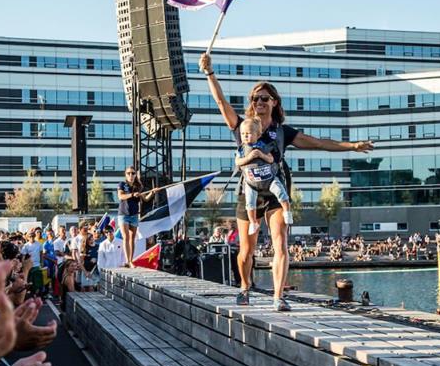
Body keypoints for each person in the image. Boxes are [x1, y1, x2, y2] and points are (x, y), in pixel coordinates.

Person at [200, 52, 373, 311]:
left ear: (274, 102)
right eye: (254, 98)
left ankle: (278, 296)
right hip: (248, 191)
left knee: (280, 241)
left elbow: (319, 144)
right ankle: (245, 287)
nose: (258, 101)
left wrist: (353, 146)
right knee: (246, 250)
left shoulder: (283, 131)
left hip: (274, 192)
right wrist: (209, 73)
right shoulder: (242, 126)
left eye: (264, 98)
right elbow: (221, 102)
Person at [235, 116, 292, 234]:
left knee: (281, 192)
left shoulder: (264, 145)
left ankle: (287, 211)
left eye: (249, 133)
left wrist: (261, 155)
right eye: (243, 134)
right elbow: (238, 162)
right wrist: (250, 157)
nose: (245, 136)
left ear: (258, 134)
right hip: (251, 182)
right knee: (250, 203)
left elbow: (271, 159)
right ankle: (253, 223)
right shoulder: (241, 149)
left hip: (268, 179)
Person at [117, 166, 157, 267]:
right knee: (126, 237)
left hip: (134, 214)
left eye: (133, 173)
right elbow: (120, 196)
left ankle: (130, 260)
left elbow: (146, 199)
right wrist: (132, 195)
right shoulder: (122, 184)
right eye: (128, 173)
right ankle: (128, 261)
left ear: (135, 175)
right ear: (125, 175)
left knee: (132, 238)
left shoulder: (139, 186)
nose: (131, 175)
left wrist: (152, 192)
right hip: (123, 214)